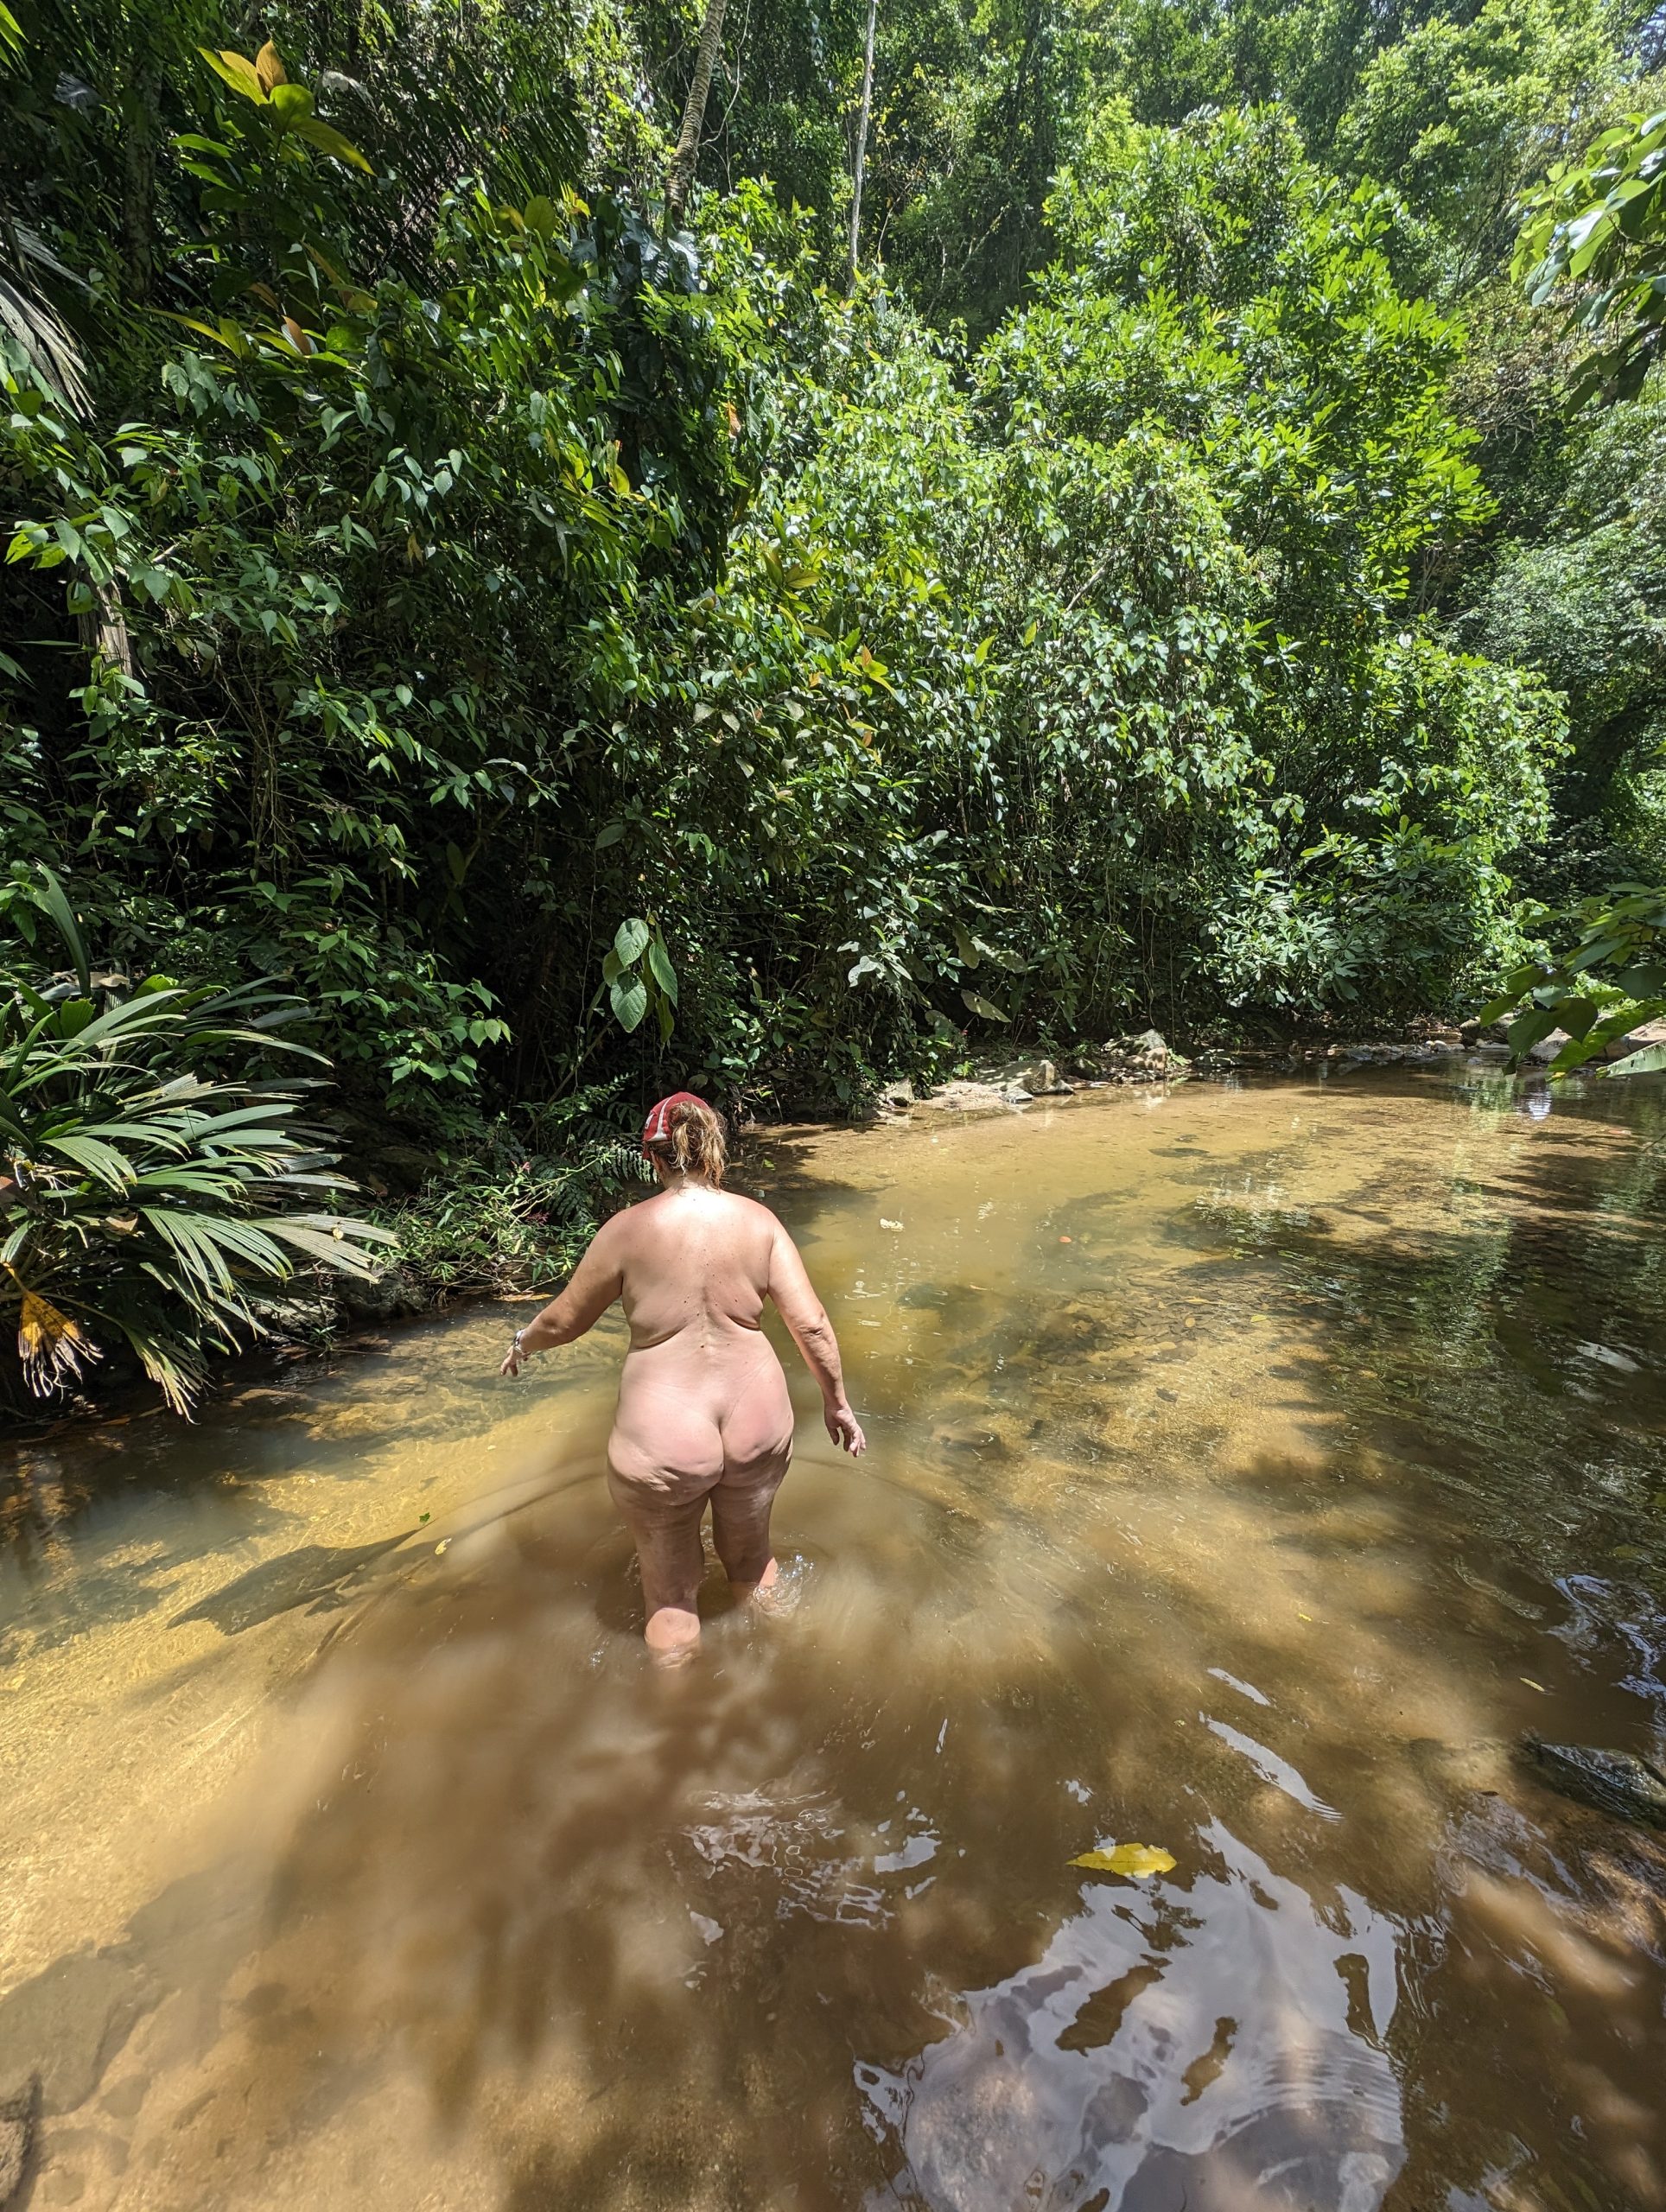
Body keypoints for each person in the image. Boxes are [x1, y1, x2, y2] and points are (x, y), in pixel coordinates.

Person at [499, 1091, 866, 1656]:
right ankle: (789, 1686)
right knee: (752, 1565)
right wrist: (836, 1401)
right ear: (716, 1151)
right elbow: (812, 1325)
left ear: (654, 1157)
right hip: (757, 1423)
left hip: (664, 1436)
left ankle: (677, 1733)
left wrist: (523, 1341)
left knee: (671, 1599)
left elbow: (565, 1321)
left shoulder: (626, 1231)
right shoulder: (759, 1223)